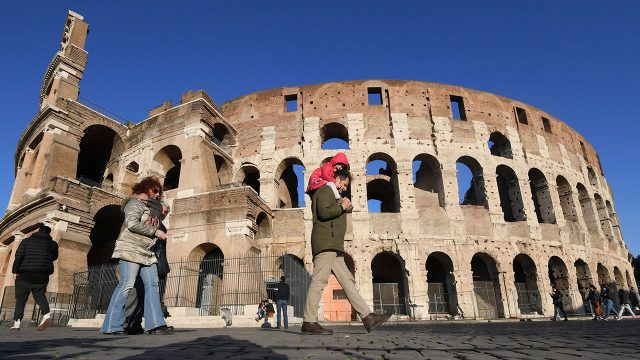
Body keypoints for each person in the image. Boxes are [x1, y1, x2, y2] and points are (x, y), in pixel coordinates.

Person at [302, 170, 390, 335]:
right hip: (325, 243)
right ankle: (308, 321)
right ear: (337, 179)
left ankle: (367, 317)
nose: (344, 188)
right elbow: (324, 212)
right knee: (319, 281)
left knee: (348, 281)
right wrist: (342, 206)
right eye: (344, 184)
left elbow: (336, 212)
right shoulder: (325, 190)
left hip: (334, 246)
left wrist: (344, 206)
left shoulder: (333, 193)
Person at [100, 177, 174, 335]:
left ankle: (155, 325)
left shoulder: (153, 209)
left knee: (153, 285)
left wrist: (162, 209)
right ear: (146, 188)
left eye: (159, 192)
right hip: (131, 249)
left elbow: (164, 210)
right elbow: (132, 223)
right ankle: (112, 325)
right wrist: (156, 231)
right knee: (127, 284)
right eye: (154, 190)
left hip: (147, 251)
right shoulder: (134, 204)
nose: (157, 194)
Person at [124, 200, 171, 335]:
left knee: (149, 292)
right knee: (134, 293)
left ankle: (147, 325)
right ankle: (127, 323)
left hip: (154, 262)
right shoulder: (146, 220)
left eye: (166, 212)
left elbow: (162, 250)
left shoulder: (162, 226)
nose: (164, 214)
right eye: (162, 211)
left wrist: (163, 265)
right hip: (140, 259)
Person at [10, 225, 58, 331]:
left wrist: (14, 271)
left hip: (25, 274)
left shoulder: (26, 241)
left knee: (21, 299)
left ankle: (17, 323)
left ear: (38, 231)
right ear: (49, 233)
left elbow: (18, 256)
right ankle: (46, 315)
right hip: (42, 275)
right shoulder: (53, 244)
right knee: (40, 297)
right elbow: (54, 257)